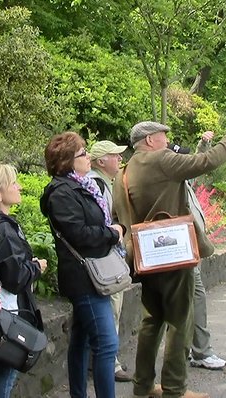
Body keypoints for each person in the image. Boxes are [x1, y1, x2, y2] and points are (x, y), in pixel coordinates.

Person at [112, 113, 226, 398]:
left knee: (151, 322)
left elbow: (119, 217)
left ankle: (144, 386)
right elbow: (206, 162)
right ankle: (175, 388)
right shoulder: (161, 160)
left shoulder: (122, 173)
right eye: (164, 136)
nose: (168, 140)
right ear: (150, 140)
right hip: (172, 254)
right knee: (179, 321)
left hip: (144, 258)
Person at [40, 132, 123, 398]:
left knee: (82, 340)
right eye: (83, 153)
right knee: (107, 344)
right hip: (84, 277)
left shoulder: (82, 185)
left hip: (89, 271)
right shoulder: (61, 193)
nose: (88, 157)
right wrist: (113, 233)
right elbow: (80, 234)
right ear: (67, 161)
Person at [0, 163, 48, 398]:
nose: (19, 187)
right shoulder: (3, 229)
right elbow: (14, 277)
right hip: (8, 313)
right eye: (13, 183)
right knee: (5, 374)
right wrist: (36, 267)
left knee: (1, 372)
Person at [171, 133, 226, 371]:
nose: (188, 162)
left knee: (189, 302)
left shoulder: (184, 182)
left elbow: (199, 162)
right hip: (182, 251)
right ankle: (200, 352)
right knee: (195, 299)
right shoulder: (172, 185)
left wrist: (204, 144)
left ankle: (190, 351)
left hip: (191, 250)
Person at [87, 140, 134, 382]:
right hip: (107, 259)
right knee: (112, 310)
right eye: (115, 156)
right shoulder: (98, 184)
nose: (120, 159)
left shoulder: (101, 182)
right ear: (101, 160)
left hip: (106, 256)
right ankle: (110, 364)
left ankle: (106, 360)